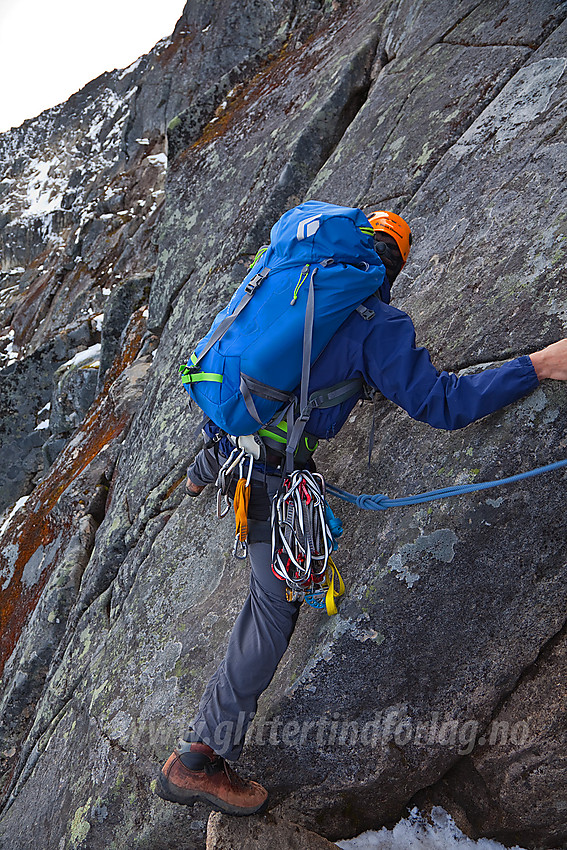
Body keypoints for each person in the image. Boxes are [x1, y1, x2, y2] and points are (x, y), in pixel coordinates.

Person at [156, 209, 567, 815]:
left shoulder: (294, 290)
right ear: (392, 265)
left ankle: (203, 752)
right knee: (271, 615)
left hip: (239, 459)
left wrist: (202, 468)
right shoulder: (378, 324)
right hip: (273, 484)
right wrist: (538, 364)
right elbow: (441, 403)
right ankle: (199, 759)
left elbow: (253, 371)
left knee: (267, 606)